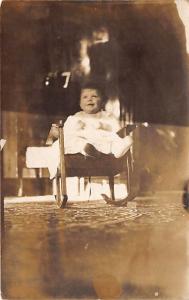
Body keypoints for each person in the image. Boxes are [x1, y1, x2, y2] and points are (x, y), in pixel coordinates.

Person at [48, 84, 133, 179]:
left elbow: (117, 130)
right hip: (84, 141)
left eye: (94, 96)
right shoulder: (76, 117)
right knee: (73, 141)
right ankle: (86, 149)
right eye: (85, 97)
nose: (89, 99)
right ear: (80, 103)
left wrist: (106, 127)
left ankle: (118, 150)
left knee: (124, 139)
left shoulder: (108, 117)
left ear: (102, 101)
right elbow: (67, 133)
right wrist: (74, 126)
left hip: (103, 142)